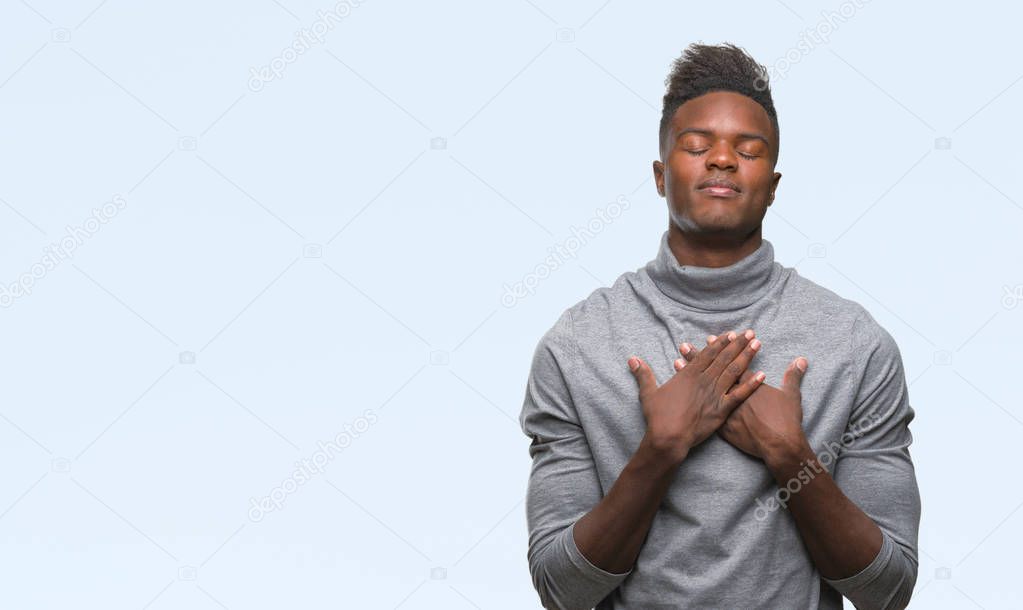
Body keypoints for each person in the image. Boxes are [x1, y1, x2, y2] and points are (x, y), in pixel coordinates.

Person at [518, 42, 920, 609]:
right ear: (660, 176)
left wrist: (789, 455)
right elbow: (562, 590)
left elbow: (890, 589)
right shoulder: (578, 346)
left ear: (774, 186)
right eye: (698, 145)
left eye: (748, 150)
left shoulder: (855, 344)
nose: (723, 160)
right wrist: (661, 447)